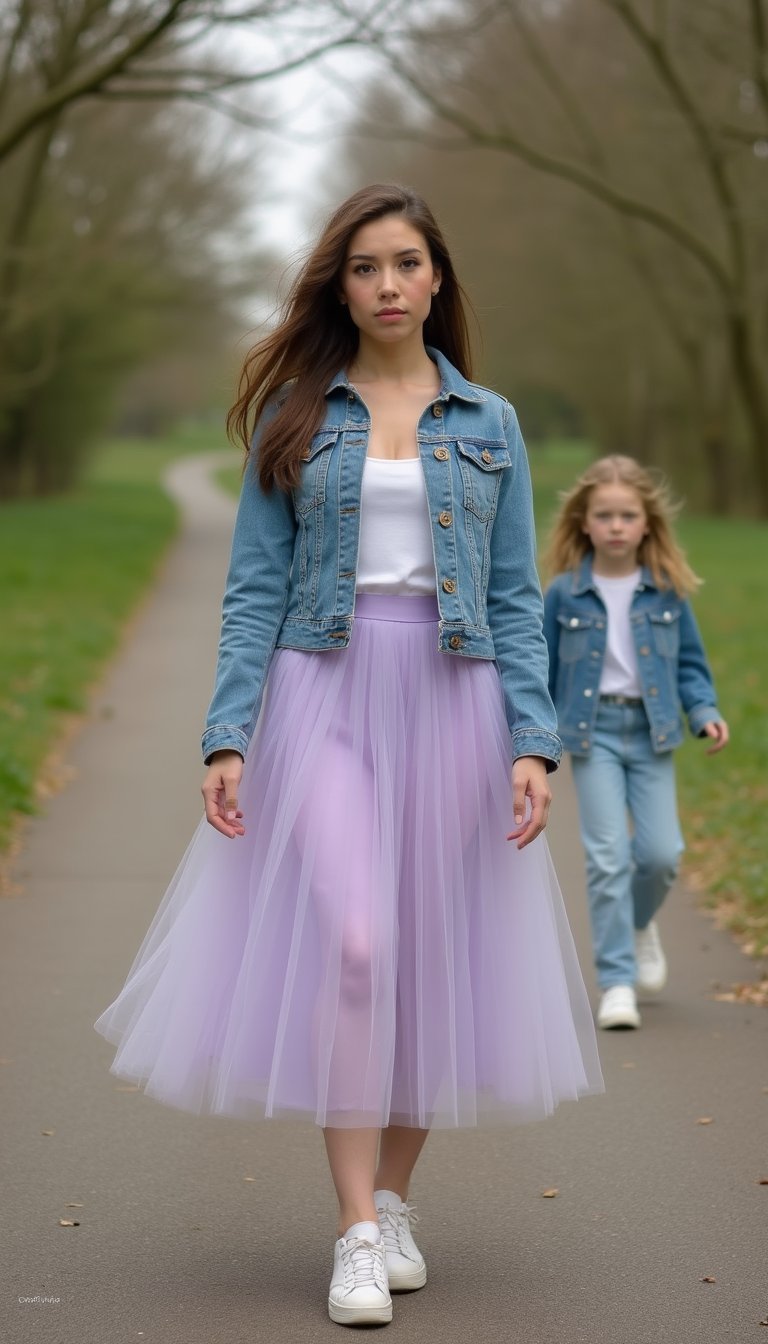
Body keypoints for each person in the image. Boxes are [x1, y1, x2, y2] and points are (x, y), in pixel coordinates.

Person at [95, 183, 602, 1327]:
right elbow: (252, 590)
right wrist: (228, 736)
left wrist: (536, 744)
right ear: (343, 284)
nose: (386, 285)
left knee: (424, 954)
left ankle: (395, 1197)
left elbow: (518, 598)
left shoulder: (491, 423)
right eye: (365, 267)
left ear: (437, 281)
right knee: (361, 946)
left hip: (455, 696)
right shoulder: (295, 413)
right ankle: (356, 1235)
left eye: (406, 264)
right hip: (318, 693)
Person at [542, 455, 728, 1032]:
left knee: (659, 855)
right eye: (605, 515)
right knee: (606, 859)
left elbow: (691, 665)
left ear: (647, 523)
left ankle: (639, 924)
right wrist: (528, 736)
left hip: (652, 733)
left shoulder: (667, 592)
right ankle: (618, 981)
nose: (617, 525)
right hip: (592, 734)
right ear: (584, 523)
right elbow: (540, 668)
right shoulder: (565, 595)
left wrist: (705, 710)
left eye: (628, 515)